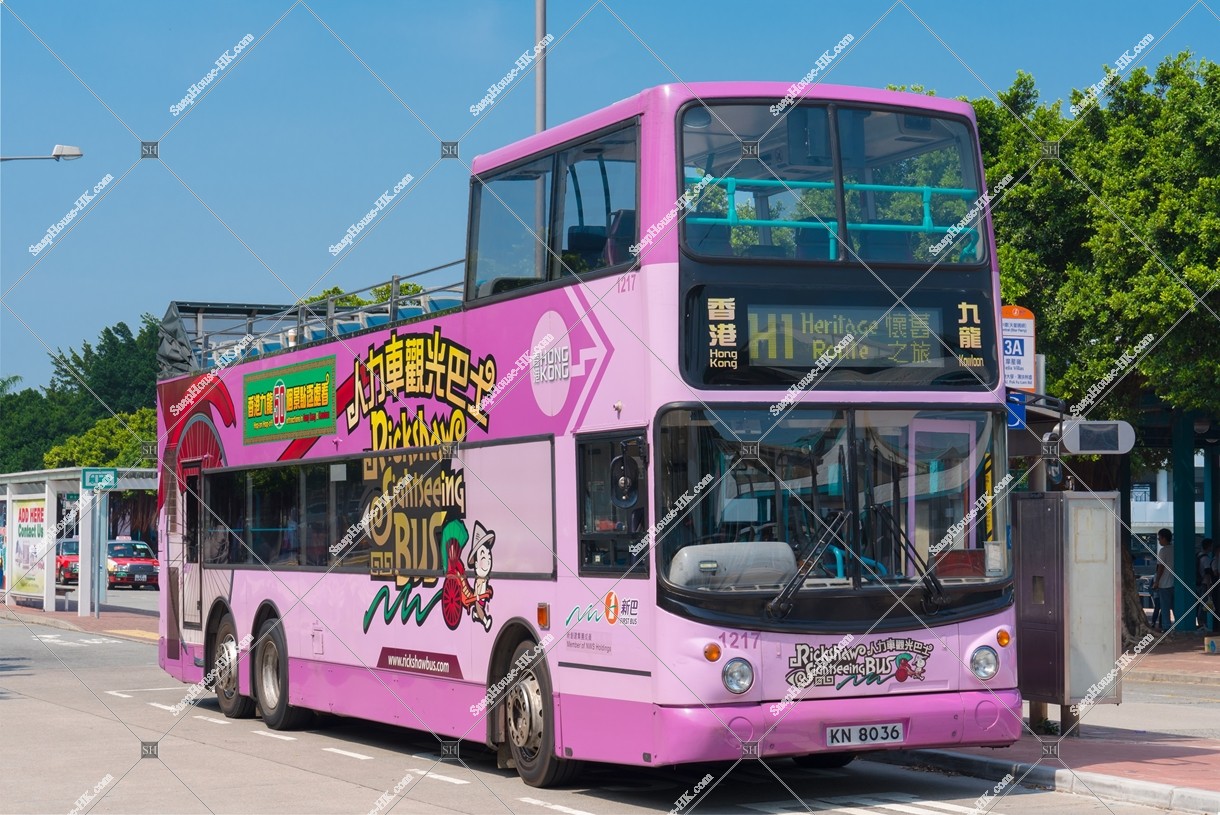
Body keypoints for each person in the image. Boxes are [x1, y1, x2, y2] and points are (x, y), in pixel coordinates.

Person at [1154, 528, 1175, 632]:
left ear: (1164, 538)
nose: (1158, 540)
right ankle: (1179, 626)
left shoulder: (1163, 551)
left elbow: (1160, 567)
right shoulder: (1175, 549)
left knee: (1165, 607)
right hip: (1175, 584)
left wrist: (1156, 581)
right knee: (1176, 607)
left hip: (1164, 584)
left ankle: (1166, 627)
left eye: (1159, 538)